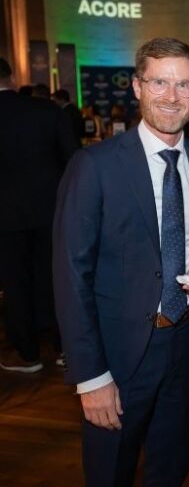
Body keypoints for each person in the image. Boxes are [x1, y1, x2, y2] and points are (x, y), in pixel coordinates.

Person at [52, 38, 189, 486]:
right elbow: (70, 275)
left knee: (171, 469)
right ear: (137, 87)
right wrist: (91, 376)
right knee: (110, 473)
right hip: (117, 354)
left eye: (183, 85)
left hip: (185, 342)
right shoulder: (94, 165)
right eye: (159, 82)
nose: (171, 96)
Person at [0, 57, 78, 373]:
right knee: (58, 277)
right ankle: (66, 347)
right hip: (52, 209)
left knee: (15, 283)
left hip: (5, 217)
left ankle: (28, 354)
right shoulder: (47, 110)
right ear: (11, 76)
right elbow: (74, 159)